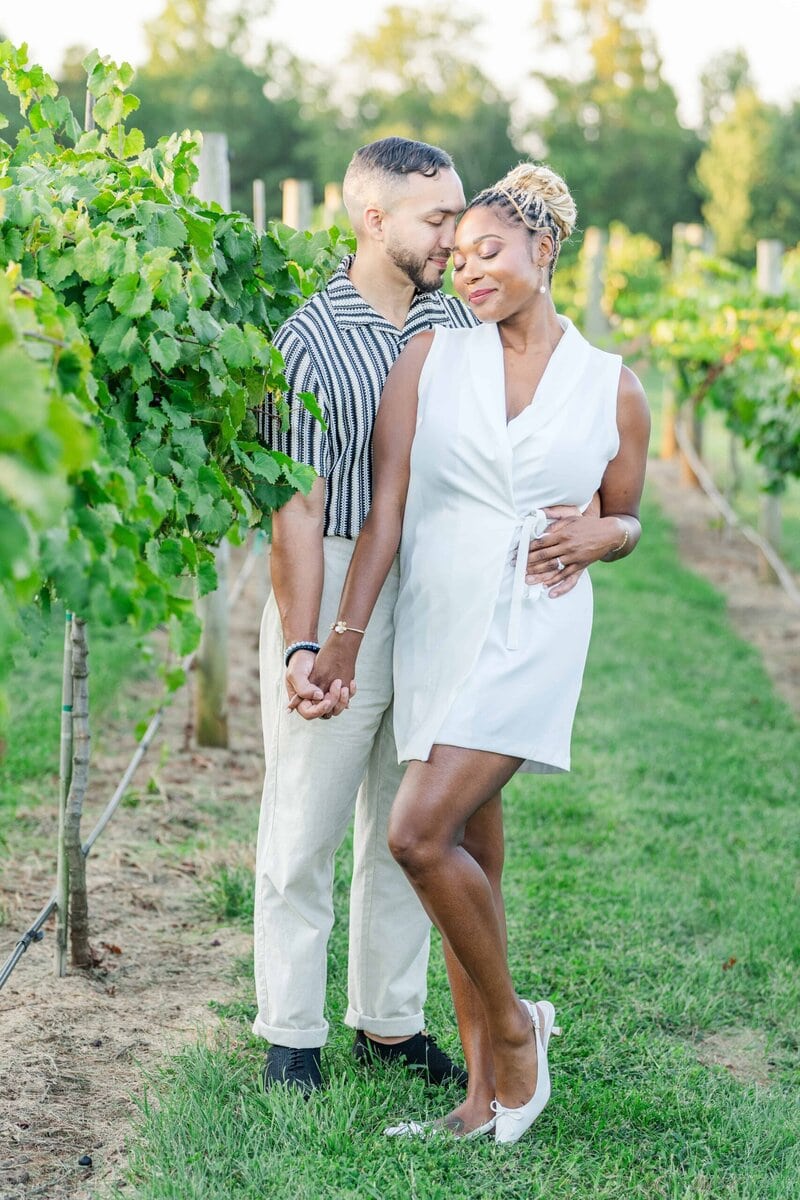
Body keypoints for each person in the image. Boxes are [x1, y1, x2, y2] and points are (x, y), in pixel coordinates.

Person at [306, 162, 651, 1144]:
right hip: (438, 621)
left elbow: (624, 516)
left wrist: (605, 538)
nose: (466, 274)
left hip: (532, 627)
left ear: (543, 250)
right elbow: (385, 513)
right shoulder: (433, 362)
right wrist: (342, 636)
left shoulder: (608, 386)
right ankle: (479, 1097)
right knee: (468, 858)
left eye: (487, 253)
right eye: (455, 260)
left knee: (416, 834)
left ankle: (512, 1035)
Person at [254, 138, 589, 1096]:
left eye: (458, 217)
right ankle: (292, 1035)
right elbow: (299, 508)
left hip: (434, 585)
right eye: (436, 220)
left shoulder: (454, 315)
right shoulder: (313, 338)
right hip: (334, 574)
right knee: (308, 813)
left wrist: (604, 521)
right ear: (374, 221)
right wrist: (307, 640)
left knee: (403, 816)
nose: (455, 237)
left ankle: (389, 1025)